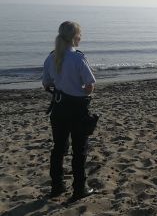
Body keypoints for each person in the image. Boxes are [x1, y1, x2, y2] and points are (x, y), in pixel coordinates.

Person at [42, 21, 96, 202]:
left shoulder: (51, 57)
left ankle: (57, 186)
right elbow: (89, 86)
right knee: (79, 150)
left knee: (58, 148)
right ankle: (79, 188)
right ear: (75, 37)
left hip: (58, 108)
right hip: (77, 109)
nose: (81, 38)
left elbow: (46, 83)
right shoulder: (78, 58)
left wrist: (61, 85)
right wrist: (82, 89)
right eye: (80, 35)